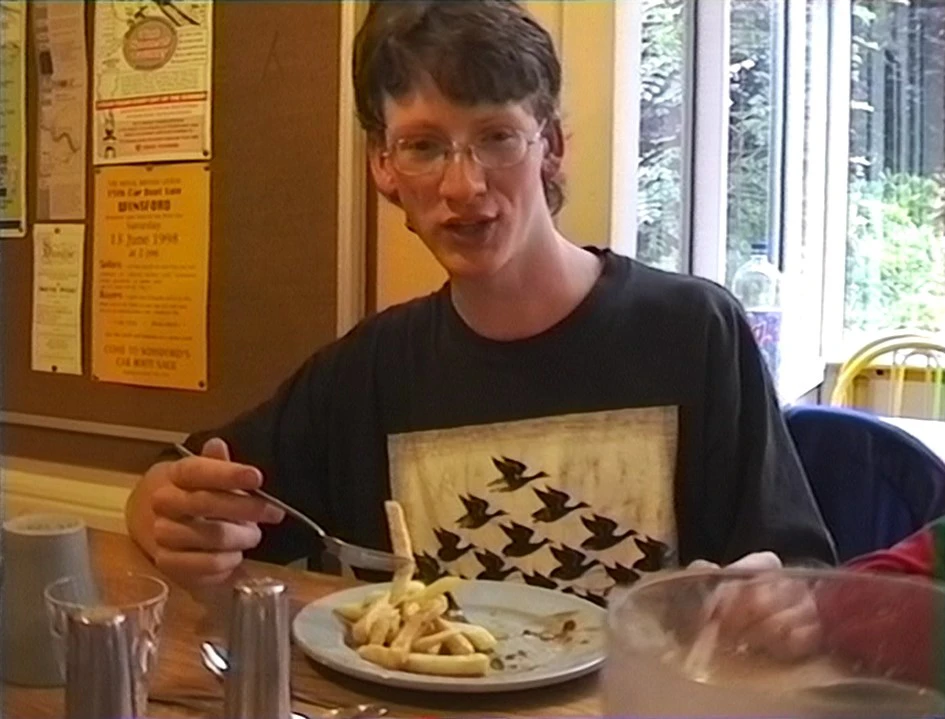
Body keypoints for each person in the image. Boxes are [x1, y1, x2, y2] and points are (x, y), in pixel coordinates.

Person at [124, 1, 835, 600]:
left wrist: (778, 603)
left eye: (496, 138)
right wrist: (162, 509)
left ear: (551, 146)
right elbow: (178, 485)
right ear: (383, 166)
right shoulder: (365, 374)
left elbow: (797, 573)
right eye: (423, 146)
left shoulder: (693, 332)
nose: (462, 186)